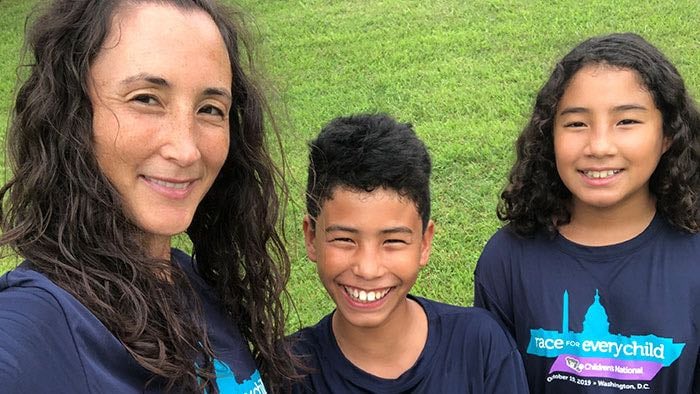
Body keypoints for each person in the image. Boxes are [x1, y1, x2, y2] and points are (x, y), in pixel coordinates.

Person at [0, 0, 296, 392]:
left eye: (210, 109)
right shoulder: (36, 326)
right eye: (146, 99)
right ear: (71, 112)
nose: (187, 149)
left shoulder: (189, 279)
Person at [474, 33, 700, 393]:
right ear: (549, 136)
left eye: (626, 121)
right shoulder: (507, 259)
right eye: (576, 123)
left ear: (668, 135)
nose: (599, 147)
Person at [291, 113, 528, 393]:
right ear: (311, 237)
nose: (368, 268)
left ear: (424, 244)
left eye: (392, 241)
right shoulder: (288, 371)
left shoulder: (481, 346)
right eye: (344, 239)